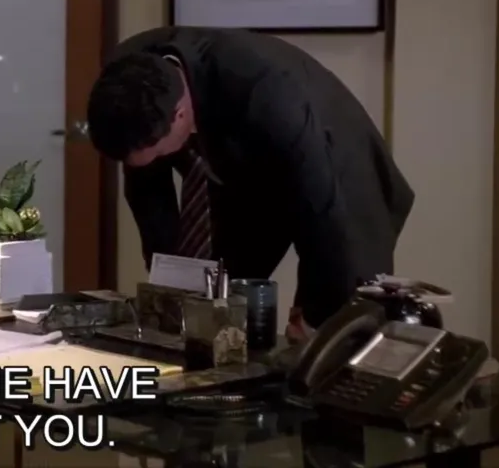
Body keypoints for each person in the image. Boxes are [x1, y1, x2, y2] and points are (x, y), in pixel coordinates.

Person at [86, 27, 413, 341]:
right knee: (221, 296)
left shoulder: (268, 93)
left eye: (158, 153)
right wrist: (167, 285)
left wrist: (317, 313)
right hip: (240, 162)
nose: (156, 161)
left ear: (181, 114)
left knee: (344, 319)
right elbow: (147, 193)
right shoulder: (124, 78)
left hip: (340, 167)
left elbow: (321, 211)